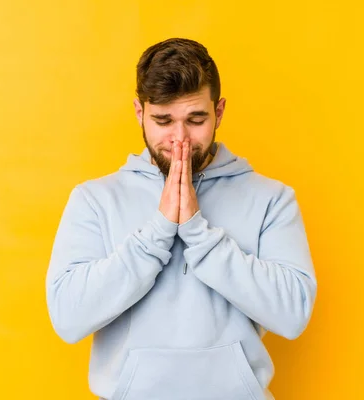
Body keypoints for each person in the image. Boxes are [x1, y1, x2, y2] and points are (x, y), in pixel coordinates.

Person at [45, 37, 317, 400]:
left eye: (196, 119)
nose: (179, 139)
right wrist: (157, 233)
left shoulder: (272, 199)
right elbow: (68, 318)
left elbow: (293, 314)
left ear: (218, 112)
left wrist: (199, 234)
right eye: (163, 120)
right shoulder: (94, 200)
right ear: (140, 113)